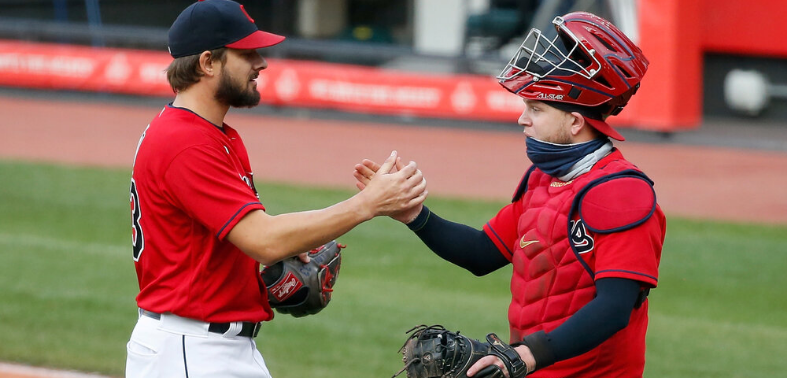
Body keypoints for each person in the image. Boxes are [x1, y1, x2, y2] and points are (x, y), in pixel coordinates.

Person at [355, 12, 665, 378]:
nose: (523, 119)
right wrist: (414, 215)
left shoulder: (621, 192)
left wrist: (526, 356)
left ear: (575, 121)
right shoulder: (543, 180)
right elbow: (483, 252)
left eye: (536, 109)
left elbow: (614, 307)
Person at [125, 1, 426, 377]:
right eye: (247, 52)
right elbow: (263, 239)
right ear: (207, 62)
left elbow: (230, 240)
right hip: (191, 349)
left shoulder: (212, 134)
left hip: (209, 345)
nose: (261, 63)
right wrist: (367, 204)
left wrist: (278, 258)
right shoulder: (186, 142)